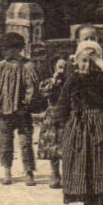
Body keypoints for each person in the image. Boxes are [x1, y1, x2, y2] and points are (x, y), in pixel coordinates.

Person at [53, 38, 103, 205]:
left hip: (97, 125)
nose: (87, 64)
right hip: (77, 126)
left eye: (91, 61)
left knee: (97, 163)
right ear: (76, 61)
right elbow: (63, 101)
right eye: (84, 60)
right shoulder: (73, 79)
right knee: (79, 164)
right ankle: (86, 204)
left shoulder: (99, 78)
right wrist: (59, 122)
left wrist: (99, 61)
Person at [0, 31, 40, 185]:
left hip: (21, 111)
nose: (5, 52)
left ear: (18, 49)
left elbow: (32, 87)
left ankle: (28, 172)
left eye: (8, 49)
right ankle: (7, 171)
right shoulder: (1, 65)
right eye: (4, 49)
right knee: (5, 141)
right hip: (4, 110)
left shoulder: (27, 66)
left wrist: (27, 104)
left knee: (25, 142)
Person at [33, 42, 66, 189]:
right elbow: (44, 92)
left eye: (65, 67)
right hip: (52, 115)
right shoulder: (48, 82)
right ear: (54, 68)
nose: (62, 70)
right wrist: (54, 80)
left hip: (66, 115)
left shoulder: (69, 82)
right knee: (52, 146)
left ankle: (66, 175)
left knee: (65, 145)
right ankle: (54, 173)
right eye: (60, 67)